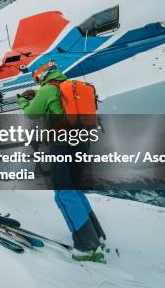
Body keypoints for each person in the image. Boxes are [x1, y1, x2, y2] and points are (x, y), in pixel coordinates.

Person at [17, 61, 107, 262]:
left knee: (64, 193)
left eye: (37, 78)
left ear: (43, 75)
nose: (38, 82)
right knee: (74, 189)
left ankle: (87, 248)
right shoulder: (72, 87)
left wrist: (22, 101)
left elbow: (31, 113)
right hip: (82, 142)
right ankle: (97, 237)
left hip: (62, 144)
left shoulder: (48, 90)